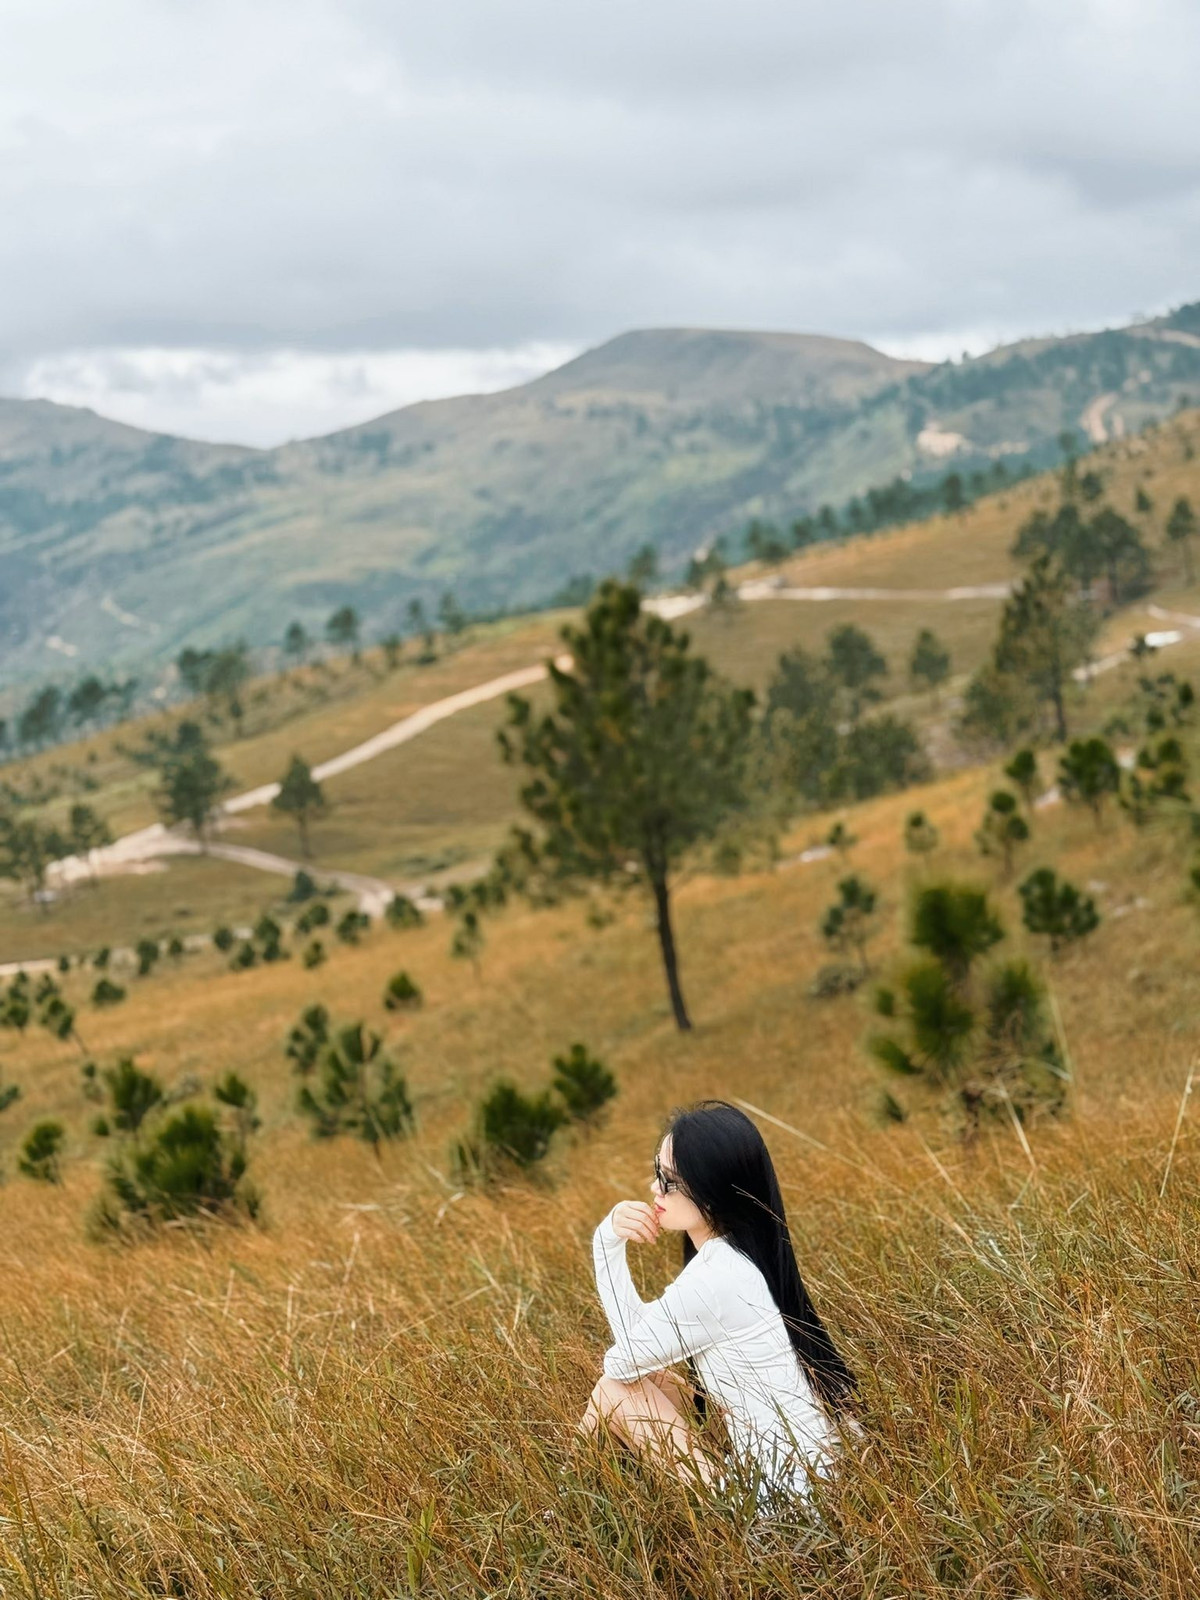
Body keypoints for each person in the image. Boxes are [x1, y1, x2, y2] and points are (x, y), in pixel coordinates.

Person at [579, 1099, 857, 1508]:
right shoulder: (745, 1257)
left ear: (712, 1193)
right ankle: (576, 1498)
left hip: (770, 1511)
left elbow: (623, 1361)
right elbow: (643, 1349)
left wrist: (606, 1246)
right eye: (657, 1172)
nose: (655, 1190)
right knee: (656, 1382)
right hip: (811, 1490)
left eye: (670, 1181)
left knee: (612, 1390)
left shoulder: (715, 1279)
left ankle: (568, 1501)